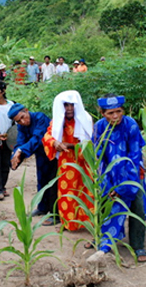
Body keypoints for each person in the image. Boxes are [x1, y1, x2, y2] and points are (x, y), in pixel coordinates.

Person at [90, 94, 146, 263]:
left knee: (137, 206)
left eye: (118, 111)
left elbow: (135, 156)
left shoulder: (130, 125)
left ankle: (138, 245)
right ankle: (104, 238)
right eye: (110, 113)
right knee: (105, 205)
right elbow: (98, 158)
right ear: (102, 113)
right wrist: (107, 184)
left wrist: (122, 186)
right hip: (108, 176)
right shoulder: (99, 128)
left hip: (131, 175)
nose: (115, 116)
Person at [42, 91, 94, 230]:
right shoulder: (58, 121)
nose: (69, 108)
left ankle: (88, 223)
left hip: (84, 162)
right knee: (66, 192)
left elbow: (91, 144)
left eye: (72, 105)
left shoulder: (86, 119)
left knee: (85, 192)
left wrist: (71, 146)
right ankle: (68, 223)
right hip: (66, 163)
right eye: (66, 105)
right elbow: (47, 136)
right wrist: (54, 143)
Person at [8, 104, 58, 222]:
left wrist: (21, 150)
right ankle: (42, 207)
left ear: (26, 110)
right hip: (40, 156)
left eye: (23, 117)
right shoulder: (21, 126)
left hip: (53, 154)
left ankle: (55, 213)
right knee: (41, 180)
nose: (22, 121)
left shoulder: (40, 118)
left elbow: (38, 138)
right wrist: (16, 155)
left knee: (53, 183)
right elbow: (20, 142)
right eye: (18, 121)